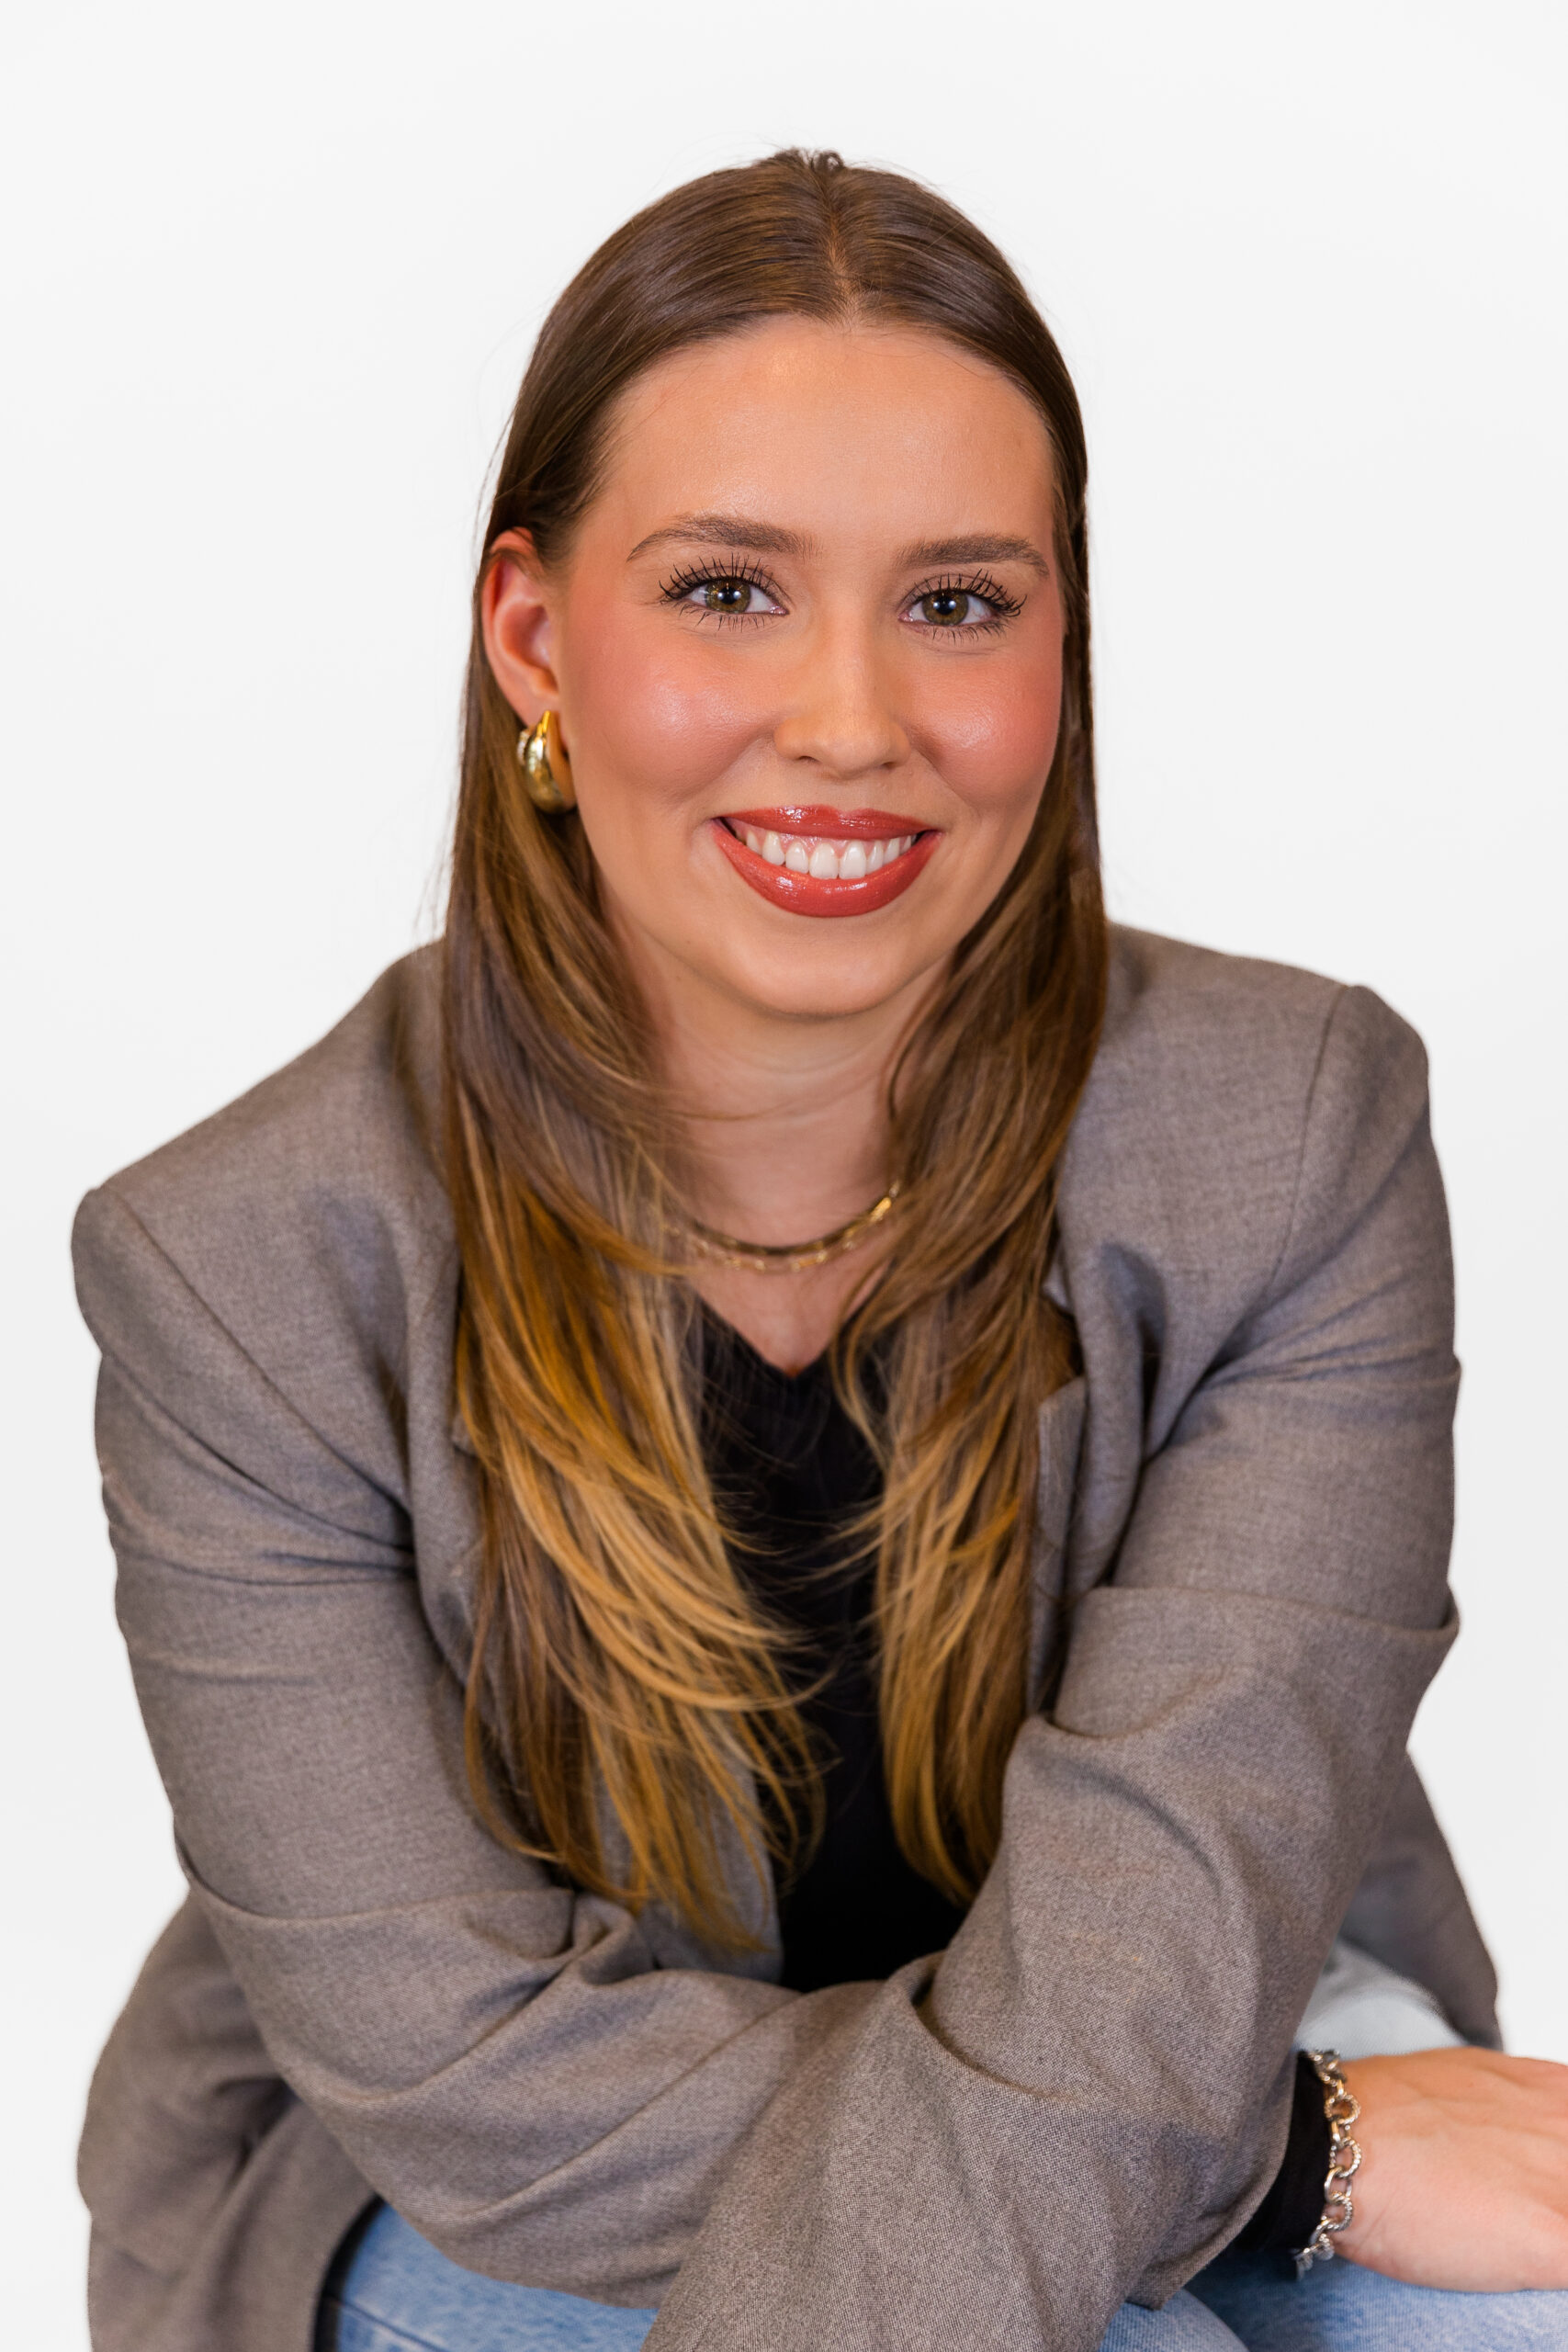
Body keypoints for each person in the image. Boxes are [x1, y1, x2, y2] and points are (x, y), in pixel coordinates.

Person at [73, 150, 1568, 2352]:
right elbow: (469, 2068)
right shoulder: (240, 1263)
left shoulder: (1292, 1126)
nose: (853, 716)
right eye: (726, 590)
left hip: (1171, 1990)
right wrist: (1290, 2159)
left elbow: (1184, 1872)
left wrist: (1193, 2130)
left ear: (1062, 641)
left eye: (957, 600)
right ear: (530, 639)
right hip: (516, 2138)